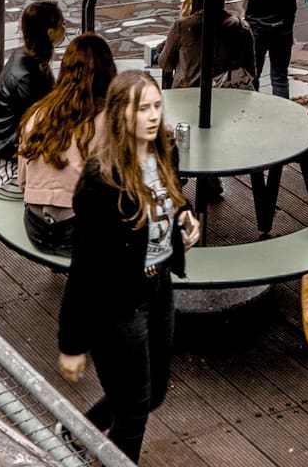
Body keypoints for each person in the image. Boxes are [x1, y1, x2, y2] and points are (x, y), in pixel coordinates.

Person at [57, 72, 200, 462]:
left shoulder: (164, 149)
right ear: (122, 115)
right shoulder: (100, 181)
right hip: (117, 306)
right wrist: (72, 345)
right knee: (133, 412)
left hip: (160, 288)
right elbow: (83, 269)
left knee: (154, 395)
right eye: (143, 109)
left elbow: (170, 194)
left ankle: (72, 433)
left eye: (157, 106)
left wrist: (184, 216)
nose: (154, 117)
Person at [18, 33, 117, 253]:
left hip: (35, 228)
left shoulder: (37, 114)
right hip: (79, 234)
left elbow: (23, 182)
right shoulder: (108, 122)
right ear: (107, 73)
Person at [0, 0, 65, 188]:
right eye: (61, 24)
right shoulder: (29, 77)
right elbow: (41, 129)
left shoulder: (25, 58)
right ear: (51, 33)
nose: (65, 27)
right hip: (2, 170)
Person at [157, 0, 256, 91]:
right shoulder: (241, 27)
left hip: (187, 96)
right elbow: (250, 71)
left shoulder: (182, 26)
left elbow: (165, 64)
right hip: (228, 96)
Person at [229, 0, 302, 98]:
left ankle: (252, 115)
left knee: (252, 76)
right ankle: (281, 117)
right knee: (280, 78)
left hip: (257, 26)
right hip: (284, 24)